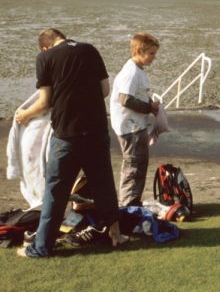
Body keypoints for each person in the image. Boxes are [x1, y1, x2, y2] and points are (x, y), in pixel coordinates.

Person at [16, 28, 128, 258]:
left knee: (55, 192)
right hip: (96, 131)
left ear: (45, 47)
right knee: (103, 185)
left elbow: (45, 102)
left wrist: (24, 115)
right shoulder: (90, 49)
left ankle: (41, 247)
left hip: (67, 135)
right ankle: (116, 234)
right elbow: (105, 90)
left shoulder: (45, 58)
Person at [110, 32, 160, 207]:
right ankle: (128, 207)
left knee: (138, 165)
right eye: (151, 53)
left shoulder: (136, 70)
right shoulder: (131, 72)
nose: (154, 58)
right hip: (130, 129)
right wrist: (149, 107)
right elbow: (125, 99)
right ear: (139, 51)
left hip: (134, 126)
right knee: (134, 167)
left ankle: (132, 203)